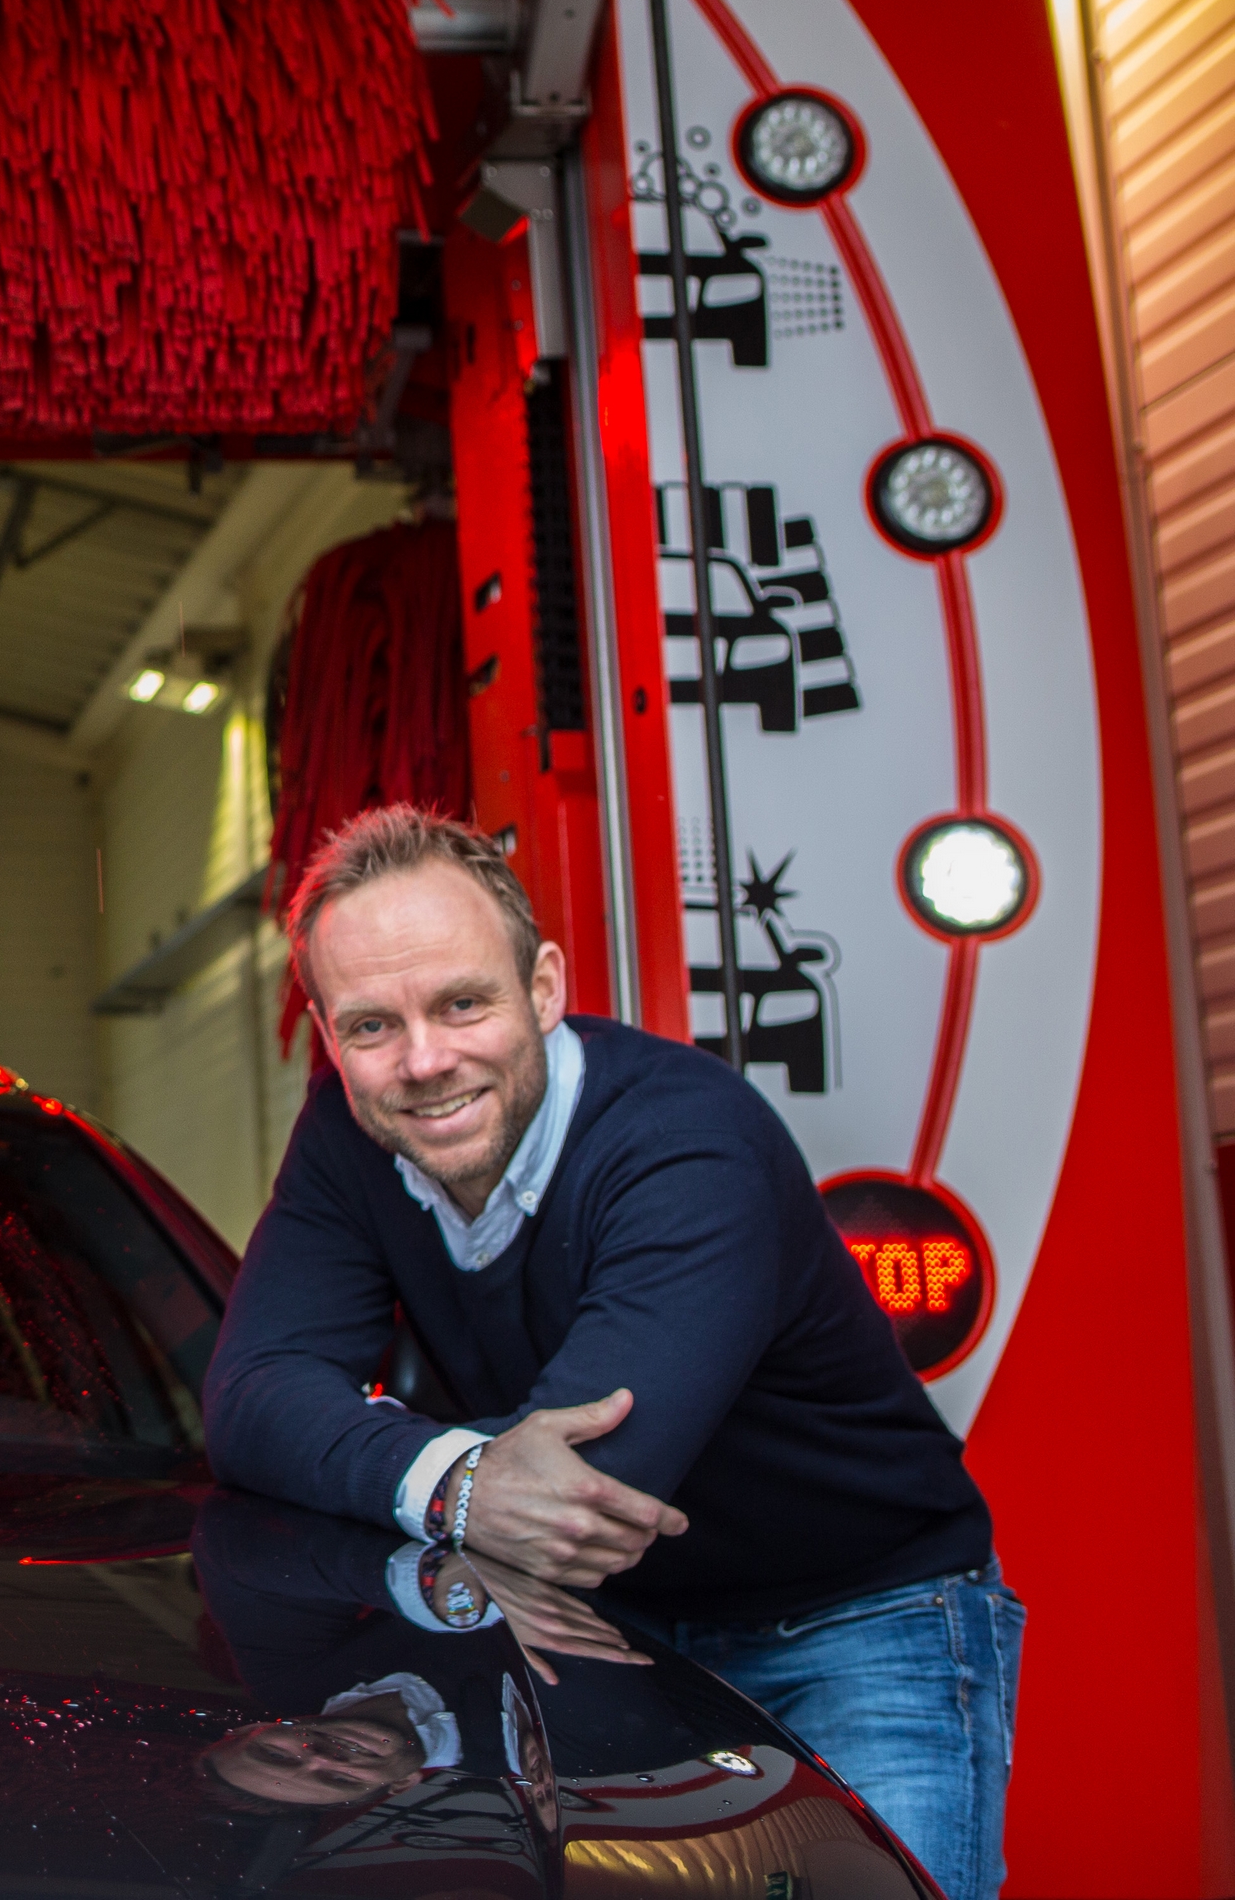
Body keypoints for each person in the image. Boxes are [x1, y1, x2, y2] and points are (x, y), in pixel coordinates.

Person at [202, 804, 1019, 1900]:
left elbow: (583, 1492)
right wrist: (455, 1481)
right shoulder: (347, 1133)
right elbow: (249, 1398)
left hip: (851, 1617)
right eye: (371, 1025)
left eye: (462, 1002)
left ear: (543, 987)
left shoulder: (685, 1140)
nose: (423, 1060)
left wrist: (357, 1448)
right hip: (603, 1628)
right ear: (324, 1029)